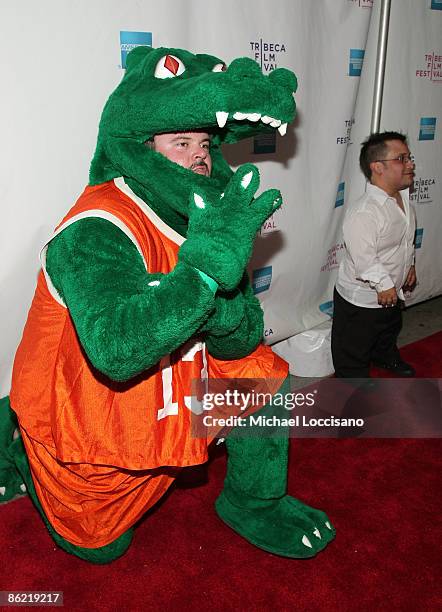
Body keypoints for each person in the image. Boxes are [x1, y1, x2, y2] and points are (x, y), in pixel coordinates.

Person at [1, 46, 335, 563]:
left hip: (168, 390)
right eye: (181, 142)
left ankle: (255, 501)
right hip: (91, 410)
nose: (200, 156)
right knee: (101, 546)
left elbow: (243, 337)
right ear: (138, 146)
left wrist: (218, 298)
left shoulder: (204, 217)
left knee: (261, 373)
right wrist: (201, 277)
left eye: (204, 143)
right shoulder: (96, 228)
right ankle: (18, 442)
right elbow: (114, 350)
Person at [332, 131, 417, 379]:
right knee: (353, 346)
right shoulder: (364, 212)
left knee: (388, 330)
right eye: (402, 158)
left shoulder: (403, 199)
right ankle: (351, 381)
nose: (410, 164)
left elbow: (405, 242)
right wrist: (383, 284)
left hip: (392, 291)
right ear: (377, 167)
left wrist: (410, 266)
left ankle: (385, 357)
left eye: (410, 157)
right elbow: (365, 257)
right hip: (362, 298)